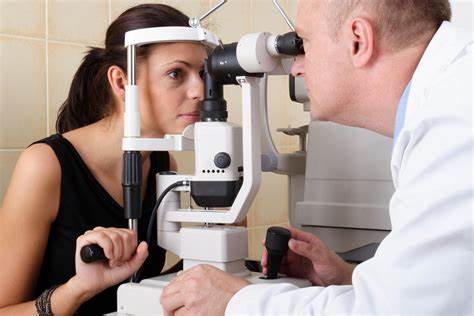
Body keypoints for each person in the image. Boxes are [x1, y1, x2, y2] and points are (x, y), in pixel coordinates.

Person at [160, 0, 473, 314]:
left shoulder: (455, 123)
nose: (296, 67)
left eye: (304, 44)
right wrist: (349, 278)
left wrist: (235, 303)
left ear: (358, 41)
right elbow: (437, 290)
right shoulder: (449, 98)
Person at [0, 4, 208, 315]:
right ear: (122, 82)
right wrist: (78, 289)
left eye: (202, 73)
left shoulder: (164, 165)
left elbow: (137, 285)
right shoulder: (45, 166)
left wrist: (208, 257)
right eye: (176, 73)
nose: (200, 90)